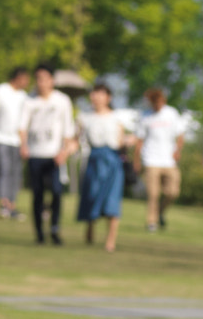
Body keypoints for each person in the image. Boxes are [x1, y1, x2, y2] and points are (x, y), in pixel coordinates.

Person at [20, 65, 77, 247]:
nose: (41, 83)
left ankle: (54, 229)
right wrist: (23, 146)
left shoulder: (62, 101)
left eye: (44, 78)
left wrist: (64, 152)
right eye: (38, 78)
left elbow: (68, 130)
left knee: (57, 192)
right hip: (35, 154)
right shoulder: (29, 101)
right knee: (37, 194)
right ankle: (39, 233)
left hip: (55, 156)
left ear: (52, 80)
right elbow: (22, 127)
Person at [75, 82, 129, 252]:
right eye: (94, 94)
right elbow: (76, 140)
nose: (96, 97)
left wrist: (128, 142)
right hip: (94, 159)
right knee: (91, 195)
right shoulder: (84, 118)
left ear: (108, 97)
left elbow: (121, 140)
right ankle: (90, 227)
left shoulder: (117, 117)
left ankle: (110, 241)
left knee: (112, 200)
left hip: (112, 161)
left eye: (100, 94)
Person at [134, 88, 186, 232]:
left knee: (173, 192)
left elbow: (180, 135)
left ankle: (160, 212)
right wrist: (136, 160)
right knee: (153, 194)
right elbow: (139, 140)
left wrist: (178, 150)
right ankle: (152, 222)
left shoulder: (172, 113)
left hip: (169, 160)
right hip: (151, 160)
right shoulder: (145, 117)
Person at [0, 67, 28, 220]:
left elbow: (24, 122)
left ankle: (12, 204)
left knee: (15, 172)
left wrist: (24, 143)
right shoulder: (0, 90)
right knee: (4, 169)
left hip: (16, 140)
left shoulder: (24, 96)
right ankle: (4, 203)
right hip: (0, 138)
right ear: (18, 77)